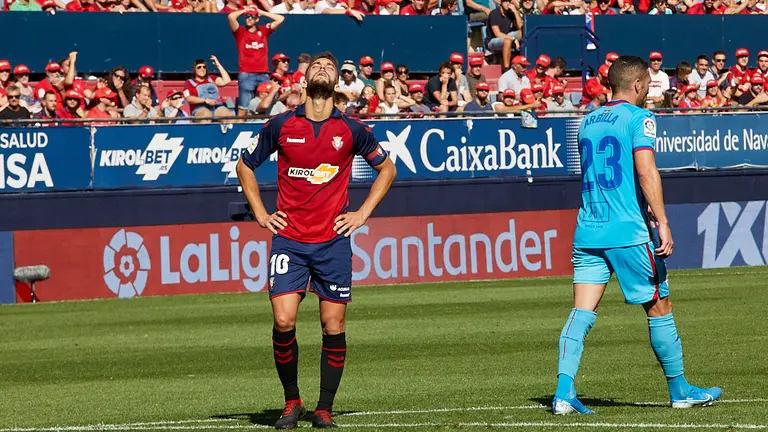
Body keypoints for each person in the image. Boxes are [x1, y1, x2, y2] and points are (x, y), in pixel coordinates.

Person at [552, 55, 722, 415]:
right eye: (648, 84)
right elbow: (645, 171)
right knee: (659, 306)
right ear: (639, 85)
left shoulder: (587, 122)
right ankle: (680, 392)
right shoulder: (640, 118)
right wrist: (661, 219)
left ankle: (563, 393)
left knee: (582, 312)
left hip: (588, 230)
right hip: (627, 231)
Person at [235, 52, 397, 430]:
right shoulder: (281, 125)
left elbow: (387, 169)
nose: (323, 69)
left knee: (333, 325)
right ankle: (292, 402)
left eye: (329, 67)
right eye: (316, 66)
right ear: (304, 80)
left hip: (332, 242)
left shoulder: (352, 129)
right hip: (289, 241)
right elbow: (245, 165)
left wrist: (362, 214)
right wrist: (260, 214)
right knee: (283, 318)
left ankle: (324, 408)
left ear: (336, 82)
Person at [229, 5, 285, 117]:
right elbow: (231, 17)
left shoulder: (263, 31)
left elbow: (280, 19)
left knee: (264, 105)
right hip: (246, 75)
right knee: (243, 109)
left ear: (257, 19)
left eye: (252, 16)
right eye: (247, 16)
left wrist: (260, 12)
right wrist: (245, 10)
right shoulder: (240, 32)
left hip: (263, 74)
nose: (249, 18)